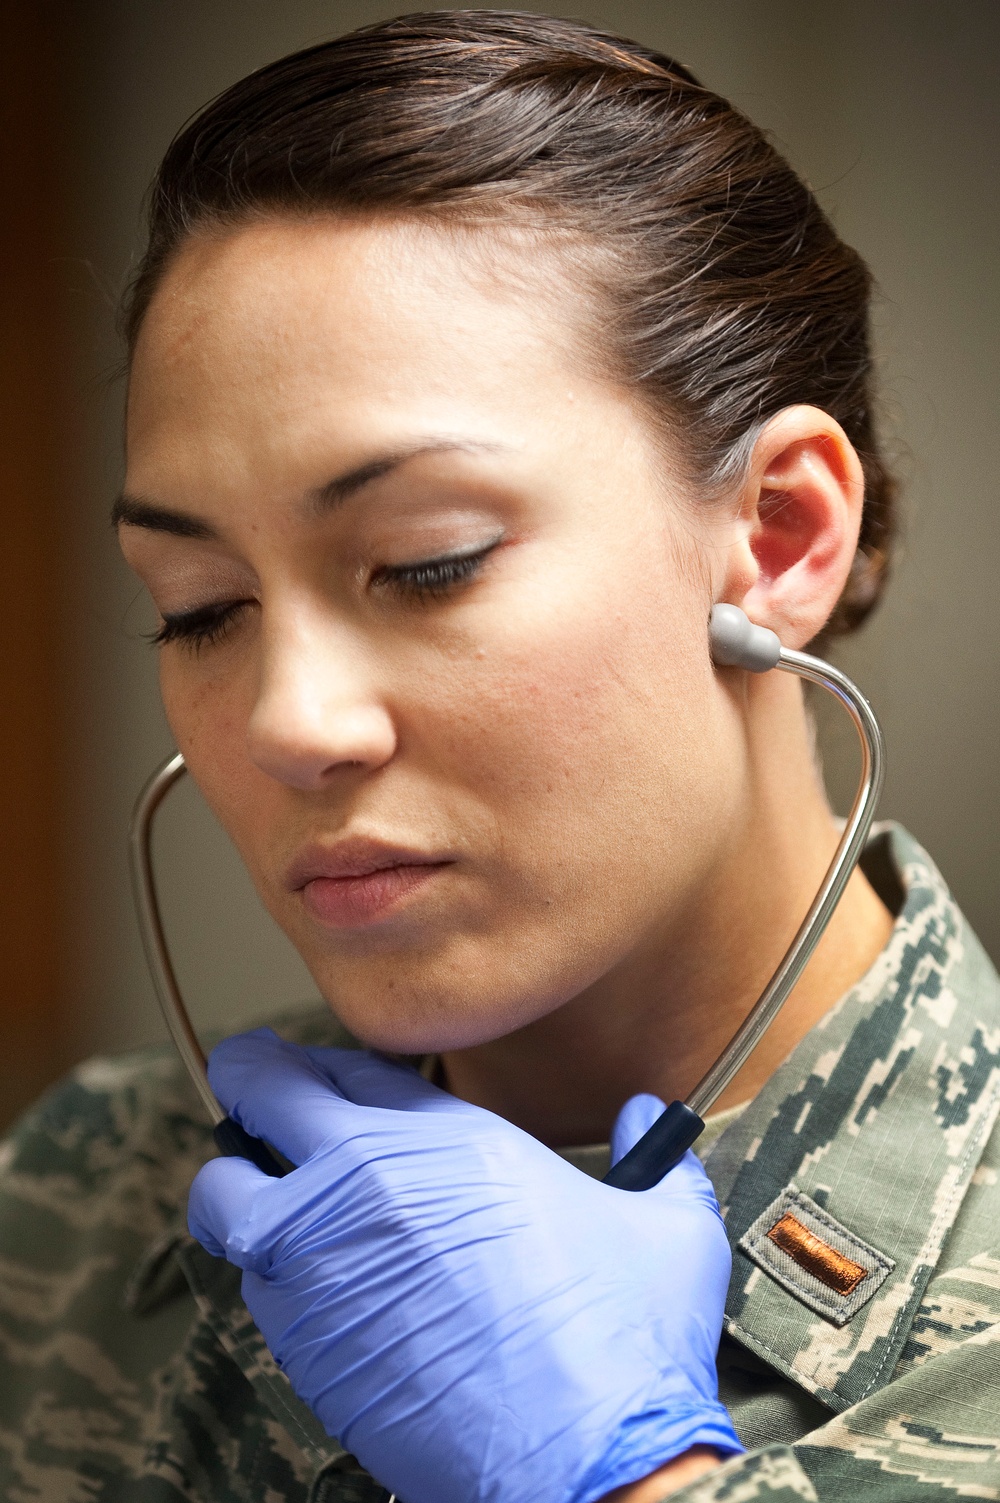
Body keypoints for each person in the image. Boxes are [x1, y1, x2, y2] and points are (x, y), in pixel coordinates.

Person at [3, 10, 999, 1502]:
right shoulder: (84, 1204)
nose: (288, 721)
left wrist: (624, 1484)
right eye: (201, 610)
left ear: (777, 538)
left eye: (426, 562)